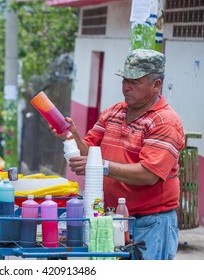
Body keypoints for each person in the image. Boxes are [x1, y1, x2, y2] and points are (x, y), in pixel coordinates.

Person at [52, 49, 185, 260]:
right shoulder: (114, 112)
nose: (126, 86)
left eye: (135, 81)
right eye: (125, 80)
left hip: (149, 224)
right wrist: (72, 135)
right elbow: (89, 151)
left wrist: (100, 166)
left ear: (156, 85)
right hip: (111, 219)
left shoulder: (164, 121)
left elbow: (149, 174)